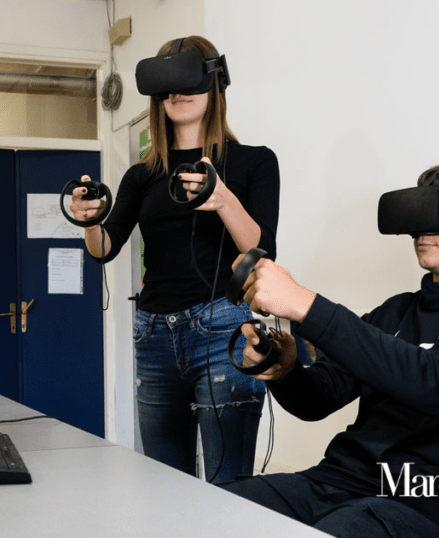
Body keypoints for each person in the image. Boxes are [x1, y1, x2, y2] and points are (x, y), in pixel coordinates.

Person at [221, 161, 439, 537]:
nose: (422, 229)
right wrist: (286, 372)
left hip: (432, 510)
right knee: (210, 510)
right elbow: (319, 399)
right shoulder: (396, 311)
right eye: (418, 213)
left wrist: (307, 306)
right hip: (337, 485)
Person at [68, 35, 280, 484]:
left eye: (187, 80)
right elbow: (106, 248)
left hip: (224, 329)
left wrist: (222, 199)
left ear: (215, 83)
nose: (176, 94)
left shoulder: (255, 163)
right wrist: (90, 221)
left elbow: (262, 250)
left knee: (228, 486)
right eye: (166, 85)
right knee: (165, 486)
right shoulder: (142, 174)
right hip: (154, 337)